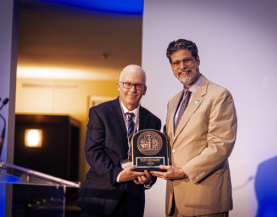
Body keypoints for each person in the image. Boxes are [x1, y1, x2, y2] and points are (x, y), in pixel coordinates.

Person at [150, 39, 237, 217]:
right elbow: (170, 144)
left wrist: (183, 172)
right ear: (171, 66)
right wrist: (143, 165)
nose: (182, 66)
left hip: (205, 200)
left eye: (187, 60)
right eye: (176, 62)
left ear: (197, 60)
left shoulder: (219, 95)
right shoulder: (173, 101)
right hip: (174, 200)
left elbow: (220, 146)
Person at [77, 65, 161, 217]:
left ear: (145, 89)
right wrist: (118, 174)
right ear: (119, 86)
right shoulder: (99, 112)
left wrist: (149, 178)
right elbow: (92, 152)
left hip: (133, 202)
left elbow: (152, 159)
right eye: (128, 84)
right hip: (99, 199)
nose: (133, 89)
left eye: (138, 85)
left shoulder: (153, 121)